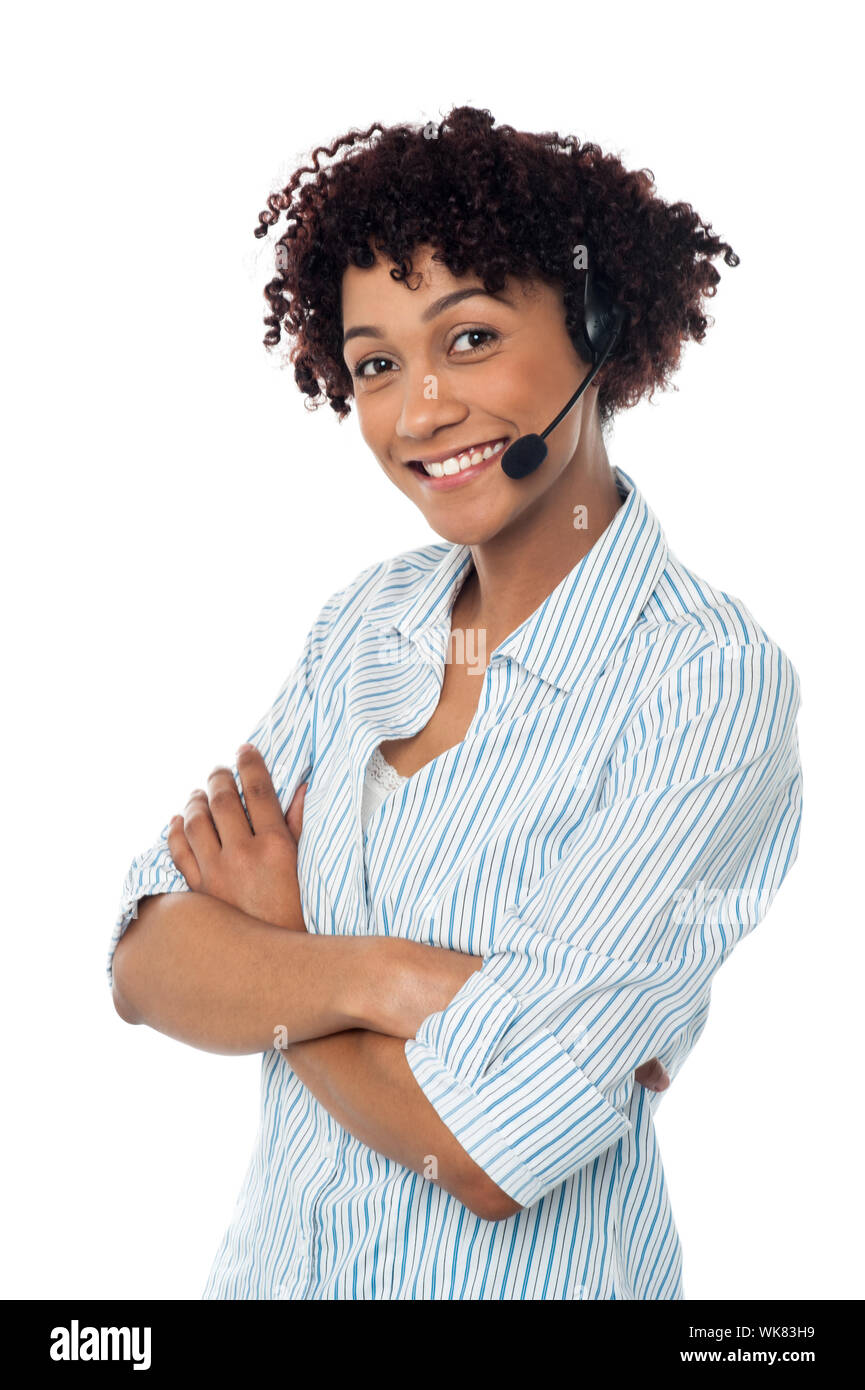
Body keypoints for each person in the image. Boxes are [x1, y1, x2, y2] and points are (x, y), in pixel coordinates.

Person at [108, 106, 803, 1300]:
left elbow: (487, 1146)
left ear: (597, 330)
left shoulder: (705, 685)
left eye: (469, 338)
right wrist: (383, 978)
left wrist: (275, 950)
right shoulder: (365, 622)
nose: (419, 412)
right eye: (376, 365)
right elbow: (144, 959)